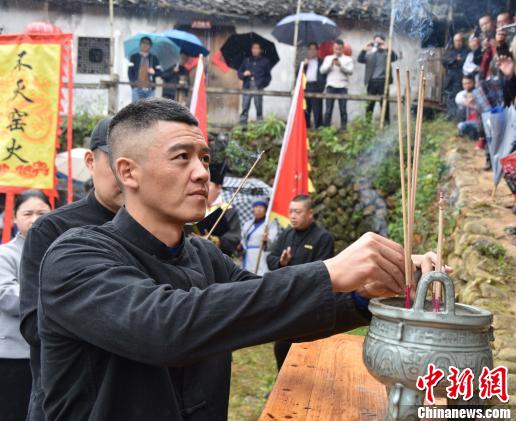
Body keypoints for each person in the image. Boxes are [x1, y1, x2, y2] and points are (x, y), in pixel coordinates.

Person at [37, 98, 439, 420]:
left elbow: (275, 305)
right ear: (128, 172)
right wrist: (328, 271)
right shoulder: (75, 256)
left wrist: (364, 295)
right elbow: (167, 326)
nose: (202, 173)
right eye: (182, 157)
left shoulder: (202, 254)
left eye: (204, 158)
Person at [19, 117, 123, 421]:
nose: (127, 174)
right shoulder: (52, 229)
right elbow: (33, 325)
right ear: (91, 161)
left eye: (139, 162)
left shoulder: (157, 229)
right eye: (117, 162)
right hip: (68, 402)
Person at [266, 195, 335, 370]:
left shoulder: (323, 238)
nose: (292, 216)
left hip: (309, 303)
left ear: (310, 213)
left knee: (308, 351)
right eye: (290, 211)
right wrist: (281, 262)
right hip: (286, 300)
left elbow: (324, 271)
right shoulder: (286, 234)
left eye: (297, 212)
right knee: (281, 346)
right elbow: (271, 259)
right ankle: (282, 380)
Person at [0, 190, 50, 421]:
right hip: (14, 355)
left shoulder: (61, 250)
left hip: (50, 352)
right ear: (14, 218)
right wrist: (56, 296)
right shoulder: (5, 254)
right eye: (28, 213)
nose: (35, 219)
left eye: (42, 213)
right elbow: (6, 296)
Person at [357, 34, 398, 123]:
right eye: (376, 42)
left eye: (379, 42)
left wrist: (387, 48)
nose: (377, 44)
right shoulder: (370, 53)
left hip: (383, 82)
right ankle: (367, 124)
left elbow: (395, 58)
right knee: (370, 104)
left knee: (384, 104)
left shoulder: (387, 53)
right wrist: (364, 50)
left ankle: (386, 125)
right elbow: (360, 59)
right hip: (372, 82)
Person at [204, 162, 242, 257]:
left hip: (215, 258)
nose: (203, 188)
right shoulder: (194, 206)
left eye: (208, 185)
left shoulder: (228, 210)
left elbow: (234, 238)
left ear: (218, 188)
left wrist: (216, 240)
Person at [320, 39, 354, 129]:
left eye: (340, 49)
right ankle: (326, 129)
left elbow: (350, 71)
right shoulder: (328, 58)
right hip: (330, 86)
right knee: (328, 110)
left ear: (343, 49)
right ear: (333, 48)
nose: (338, 51)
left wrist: (341, 65)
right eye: (336, 49)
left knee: (343, 110)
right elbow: (322, 71)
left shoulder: (348, 59)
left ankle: (344, 129)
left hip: (342, 86)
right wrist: (330, 65)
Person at [240, 200, 279, 275]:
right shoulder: (247, 224)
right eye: (256, 207)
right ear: (253, 209)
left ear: (265, 210)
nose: (258, 209)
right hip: (248, 256)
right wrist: (240, 246)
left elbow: (274, 240)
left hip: (261, 254)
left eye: (261, 207)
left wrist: (267, 240)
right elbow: (243, 239)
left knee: (260, 274)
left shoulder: (270, 223)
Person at [237, 42, 272, 124]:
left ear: (261, 50)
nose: (254, 50)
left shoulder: (265, 61)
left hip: (258, 87)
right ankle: (243, 126)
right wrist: (244, 74)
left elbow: (268, 77)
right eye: (253, 48)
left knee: (259, 107)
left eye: (257, 48)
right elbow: (239, 73)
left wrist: (262, 84)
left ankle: (259, 126)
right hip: (247, 86)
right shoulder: (246, 60)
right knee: (245, 107)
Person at [127, 36, 162, 102]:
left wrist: (154, 72)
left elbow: (160, 72)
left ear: (150, 46)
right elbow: (130, 72)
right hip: (137, 89)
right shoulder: (133, 57)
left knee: (149, 108)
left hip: (150, 90)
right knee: (136, 107)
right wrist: (133, 85)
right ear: (140, 45)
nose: (145, 45)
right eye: (143, 43)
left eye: (147, 43)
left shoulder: (154, 58)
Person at [442, 33, 469, 120]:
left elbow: (464, 62)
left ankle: (458, 116)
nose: (458, 42)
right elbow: (444, 61)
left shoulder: (466, 51)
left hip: (460, 77)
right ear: (454, 42)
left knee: (459, 96)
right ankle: (451, 114)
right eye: (456, 41)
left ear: (462, 41)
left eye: (460, 40)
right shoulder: (450, 51)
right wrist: (454, 60)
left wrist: (456, 61)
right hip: (450, 77)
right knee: (449, 96)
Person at [301, 43, 326, 128]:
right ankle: (306, 127)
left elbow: (324, 75)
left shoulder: (321, 62)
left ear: (317, 51)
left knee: (317, 108)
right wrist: (303, 65)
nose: (312, 51)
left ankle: (318, 127)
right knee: (306, 107)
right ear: (308, 51)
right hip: (306, 86)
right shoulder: (304, 62)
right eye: (310, 49)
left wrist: (322, 86)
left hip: (316, 86)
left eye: (314, 49)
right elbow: (298, 74)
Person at [455, 75, 482, 143]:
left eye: (469, 83)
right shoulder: (461, 94)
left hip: (479, 122)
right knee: (461, 124)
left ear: (473, 83)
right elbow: (458, 100)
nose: (466, 86)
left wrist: (473, 103)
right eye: (464, 84)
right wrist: (468, 102)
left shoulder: (480, 92)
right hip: (468, 122)